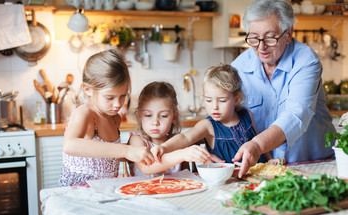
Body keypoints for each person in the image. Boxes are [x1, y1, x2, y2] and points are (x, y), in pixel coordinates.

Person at [230, 0, 335, 178]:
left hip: (313, 165)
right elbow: (226, 112)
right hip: (265, 168)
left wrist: (257, 145)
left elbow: (296, 114)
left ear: (288, 34)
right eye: (254, 37)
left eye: (270, 37)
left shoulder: (306, 61)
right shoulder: (239, 66)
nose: (261, 47)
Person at [58, 49, 154, 187]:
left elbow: (103, 153)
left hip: (103, 189)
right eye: (109, 97)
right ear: (88, 89)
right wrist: (127, 151)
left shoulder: (115, 119)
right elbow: (70, 145)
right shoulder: (85, 113)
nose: (117, 104)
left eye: (123, 96)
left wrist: (131, 154)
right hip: (77, 191)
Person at [151, 64, 271, 164]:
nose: (215, 106)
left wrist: (270, 159)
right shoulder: (207, 125)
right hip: (228, 182)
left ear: (236, 99)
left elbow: (258, 140)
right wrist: (164, 148)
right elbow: (185, 137)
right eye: (208, 100)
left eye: (222, 100)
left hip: (258, 175)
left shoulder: (247, 115)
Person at [128, 81, 217, 176]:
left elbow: (185, 175)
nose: (155, 122)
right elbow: (146, 168)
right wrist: (182, 154)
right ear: (139, 116)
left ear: (174, 116)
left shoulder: (178, 143)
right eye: (148, 115)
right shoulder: (137, 140)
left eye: (163, 116)